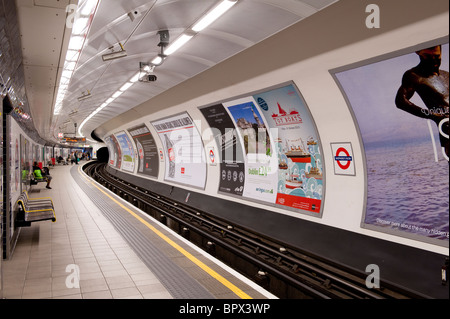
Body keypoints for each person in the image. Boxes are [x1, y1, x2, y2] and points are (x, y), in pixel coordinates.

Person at [395, 45, 449, 160]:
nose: (433, 60)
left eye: (437, 56)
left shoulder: (446, 75)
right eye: (427, 56)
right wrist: (434, 116)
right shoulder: (414, 76)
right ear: (418, 52)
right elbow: (400, 101)